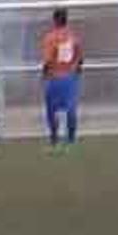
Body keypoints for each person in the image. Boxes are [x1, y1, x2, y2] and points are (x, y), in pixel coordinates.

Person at [41, 8, 83, 153]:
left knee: (52, 110)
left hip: (54, 77)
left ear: (54, 20)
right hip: (70, 77)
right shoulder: (73, 36)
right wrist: (75, 70)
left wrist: (44, 75)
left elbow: (47, 60)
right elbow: (80, 57)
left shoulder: (50, 38)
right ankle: (70, 140)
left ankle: (54, 140)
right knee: (70, 109)